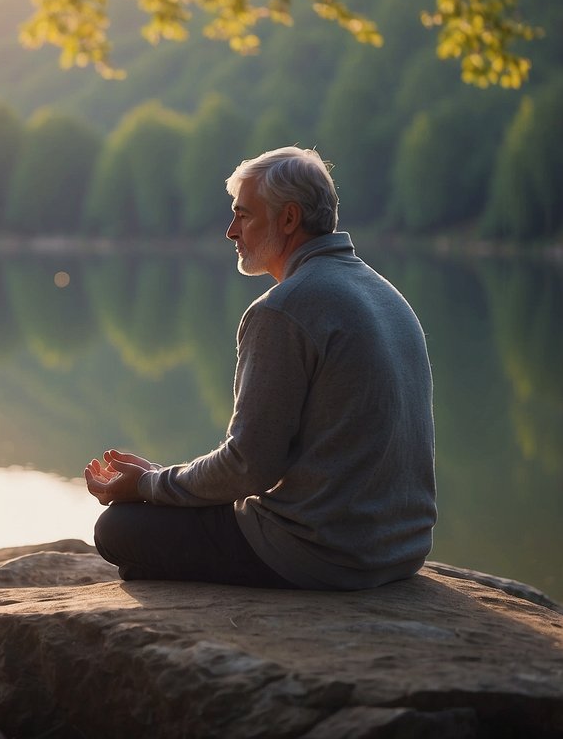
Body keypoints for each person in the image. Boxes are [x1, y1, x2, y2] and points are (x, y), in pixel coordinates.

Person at [85, 146, 436, 591]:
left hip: (324, 552)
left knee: (119, 529)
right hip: (400, 550)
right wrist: (164, 484)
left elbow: (249, 468)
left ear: (289, 219)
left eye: (243, 215)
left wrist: (151, 487)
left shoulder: (283, 309)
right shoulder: (386, 294)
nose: (231, 231)